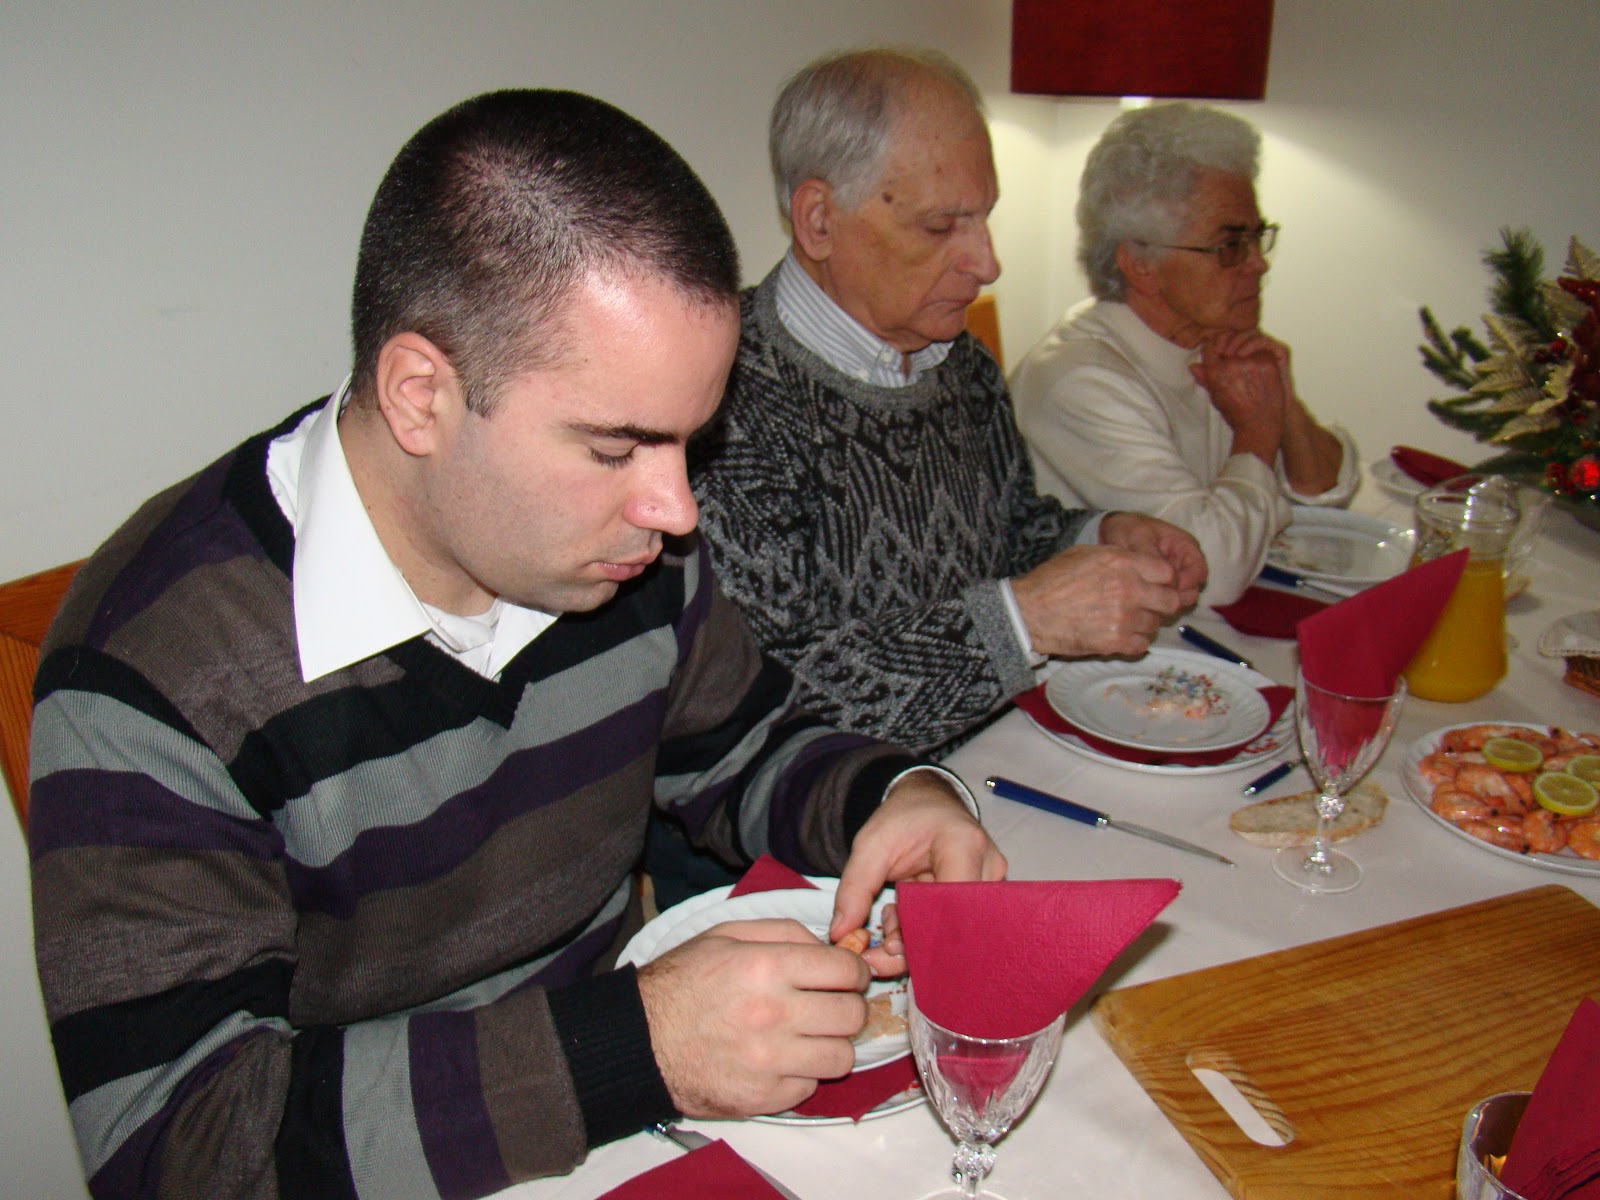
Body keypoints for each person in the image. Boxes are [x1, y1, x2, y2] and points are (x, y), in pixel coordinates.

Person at [27, 89, 1002, 1198]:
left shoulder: (621, 551)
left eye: (689, 443)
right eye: (615, 449)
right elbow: (181, 1148)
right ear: (421, 397)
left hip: (622, 1123)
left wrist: (895, 798)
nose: (677, 511)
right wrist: (630, 1044)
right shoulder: (156, 669)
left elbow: (739, 742)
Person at [687, 48, 1207, 761]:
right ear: (818, 221)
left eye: (984, 218)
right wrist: (1024, 624)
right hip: (843, 810)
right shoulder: (717, 405)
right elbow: (766, 709)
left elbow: (1009, 534)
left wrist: (1100, 535)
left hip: (998, 756)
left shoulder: (961, 363)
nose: (987, 263)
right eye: (941, 227)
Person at [1010, 102, 1358, 607]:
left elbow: (1325, 497)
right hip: (1107, 637)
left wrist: (1281, 396)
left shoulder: (1208, 341)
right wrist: (1257, 433)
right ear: (1141, 267)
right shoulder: (1079, 381)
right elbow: (1210, 570)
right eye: (1230, 246)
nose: (1258, 265)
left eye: (1257, 238)